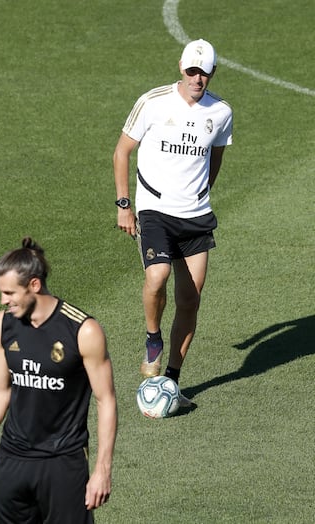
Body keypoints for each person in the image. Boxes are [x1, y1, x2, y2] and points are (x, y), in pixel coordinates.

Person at [0, 237, 117, 524]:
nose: (3, 301)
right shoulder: (3, 324)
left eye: (9, 293)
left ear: (34, 285)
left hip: (63, 462)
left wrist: (102, 469)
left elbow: (105, 399)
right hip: (12, 459)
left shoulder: (82, 330)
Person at [113, 39, 233, 404]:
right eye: (192, 71)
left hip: (196, 216)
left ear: (213, 72)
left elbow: (216, 156)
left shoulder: (221, 112)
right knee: (157, 275)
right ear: (181, 68)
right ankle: (153, 339)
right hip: (155, 210)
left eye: (205, 72)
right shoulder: (152, 102)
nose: (198, 78)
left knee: (190, 300)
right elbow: (122, 152)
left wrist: (201, 192)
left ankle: (172, 380)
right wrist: (124, 205)